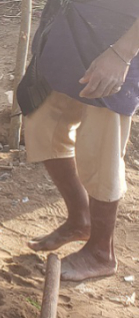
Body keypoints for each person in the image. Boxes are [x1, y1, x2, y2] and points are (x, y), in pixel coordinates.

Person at [18, 0, 139, 281]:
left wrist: (122, 54)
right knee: (41, 123)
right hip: (69, 28)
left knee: (101, 150)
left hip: (118, 43)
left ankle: (101, 253)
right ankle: (79, 219)